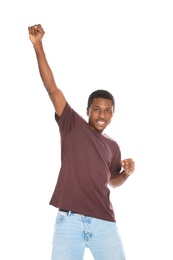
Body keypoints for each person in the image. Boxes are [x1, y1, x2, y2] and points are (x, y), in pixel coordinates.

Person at [28, 24, 135, 260]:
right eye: (97, 109)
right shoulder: (72, 125)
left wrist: (125, 173)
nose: (102, 115)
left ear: (113, 114)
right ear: (88, 110)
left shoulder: (112, 146)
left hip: (103, 222)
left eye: (108, 111)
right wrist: (38, 46)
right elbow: (52, 88)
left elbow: (113, 182)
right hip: (69, 222)